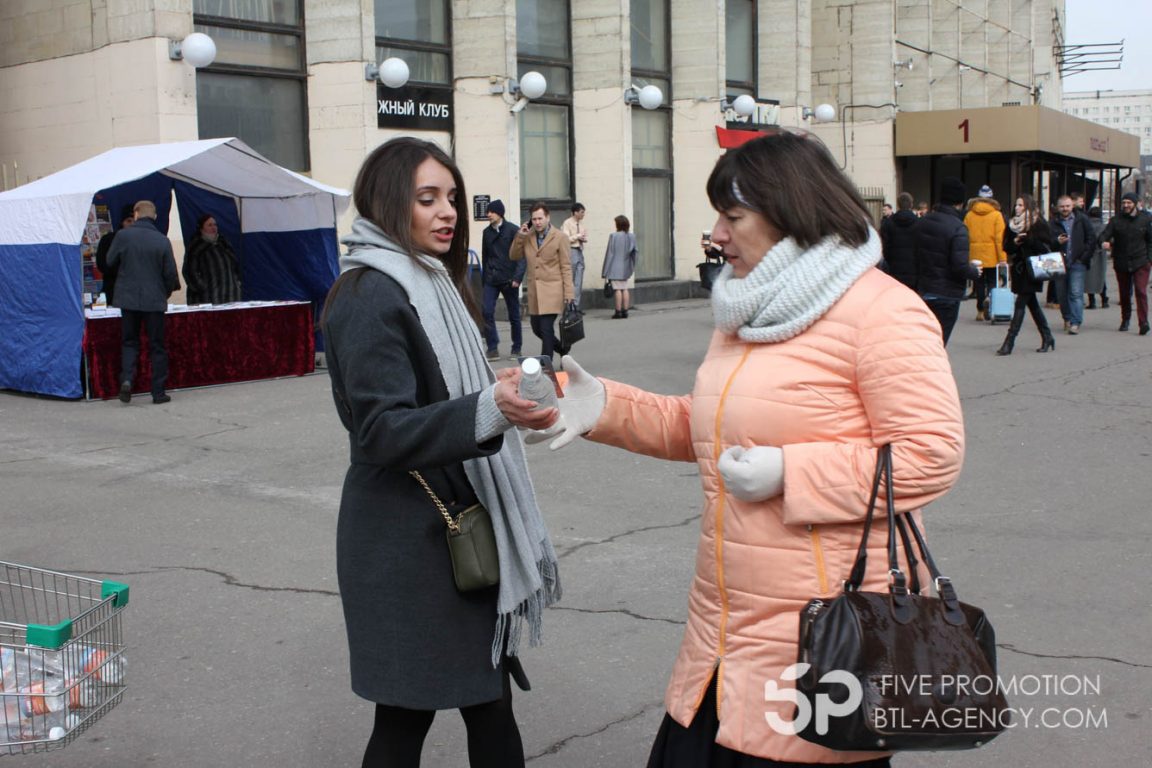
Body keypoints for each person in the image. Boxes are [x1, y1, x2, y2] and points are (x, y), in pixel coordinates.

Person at [532, 132, 966, 767]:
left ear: (792, 214)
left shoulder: (882, 311)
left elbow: (931, 452)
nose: (716, 234)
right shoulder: (748, 312)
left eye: (732, 217)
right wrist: (607, 407)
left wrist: (793, 472)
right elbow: (714, 434)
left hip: (826, 642)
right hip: (723, 633)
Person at [320, 137, 562, 768]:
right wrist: (490, 410)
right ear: (388, 202)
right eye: (427, 198)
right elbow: (379, 430)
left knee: (482, 701)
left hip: (452, 531)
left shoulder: (431, 281)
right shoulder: (370, 293)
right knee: (408, 716)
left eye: (452, 197)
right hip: (407, 543)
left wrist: (499, 397)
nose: (447, 212)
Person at [106, 200, 180, 405]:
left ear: (136, 214)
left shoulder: (123, 236)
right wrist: (162, 293)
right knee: (157, 346)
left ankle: (128, 379)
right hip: (154, 301)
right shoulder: (162, 240)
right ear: (154, 216)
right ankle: (158, 392)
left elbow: (109, 262)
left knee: (130, 342)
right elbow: (170, 274)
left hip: (128, 299)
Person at [915, 176, 979, 345]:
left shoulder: (923, 222)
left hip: (924, 290)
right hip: (947, 294)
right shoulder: (958, 227)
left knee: (924, 343)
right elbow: (959, 266)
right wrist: (974, 271)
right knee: (938, 345)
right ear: (960, 202)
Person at [510, 202, 575, 361]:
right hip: (534, 292)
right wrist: (520, 235)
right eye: (534, 219)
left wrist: (569, 293)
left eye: (540, 218)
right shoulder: (528, 236)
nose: (537, 222)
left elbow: (566, 267)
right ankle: (562, 349)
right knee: (536, 329)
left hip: (553, 291)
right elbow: (514, 256)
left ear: (547, 217)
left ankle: (546, 367)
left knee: (546, 329)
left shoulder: (560, 237)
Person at [996, 193, 1056, 355]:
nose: (1017, 208)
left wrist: (1028, 240)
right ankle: (1047, 336)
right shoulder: (1012, 224)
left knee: (1020, 304)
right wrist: (1014, 243)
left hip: (1033, 269)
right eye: (1016, 205)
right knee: (1033, 305)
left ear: (1028, 207)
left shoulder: (1038, 223)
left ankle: (1009, 342)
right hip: (1019, 269)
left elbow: (1046, 248)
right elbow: (1006, 247)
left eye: (1021, 205)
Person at [1097, 191, 1152, 334]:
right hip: (1122, 262)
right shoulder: (1116, 220)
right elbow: (1104, 234)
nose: (1126, 205)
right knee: (1125, 293)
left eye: (1129, 203)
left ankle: (1143, 322)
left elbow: (1150, 241)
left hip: (1141, 261)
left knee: (1141, 291)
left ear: (1135, 204)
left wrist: (1149, 260)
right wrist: (1104, 242)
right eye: (1124, 203)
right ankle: (1125, 319)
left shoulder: (1145, 219)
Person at [480, 199, 525, 361]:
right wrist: (485, 279)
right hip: (492, 278)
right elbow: (485, 257)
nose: (488, 215)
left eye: (491, 212)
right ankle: (492, 348)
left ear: (500, 213)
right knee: (486, 311)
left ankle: (516, 348)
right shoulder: (486, 233)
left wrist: (517, 278)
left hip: (509, 279)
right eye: (488, 212)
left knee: (514, 315)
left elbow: (521, 256)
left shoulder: (513, 230)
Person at [1050, 195, 1094, 334]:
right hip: (1059, 263)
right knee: (1062, 294)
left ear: (1072, 206)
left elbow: (1091, 239)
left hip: (1077, 262)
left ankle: (1075, 322)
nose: (1065, 209)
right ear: (1058, 208)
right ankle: (1067, 318)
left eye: (1067, 206)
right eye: (1062, 206)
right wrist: (1057, 241)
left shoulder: (1082, 219)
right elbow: (1047, 241)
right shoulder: (1053, 222)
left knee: (1075, 293)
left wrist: (1084, 257)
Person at [963, 184, 1006, 321]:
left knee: (979, 283)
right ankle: (991, 302)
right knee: (993, 281)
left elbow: (964, 235)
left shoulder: (969, 215)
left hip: (975, 256)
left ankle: (980, 311)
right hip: (992, 255)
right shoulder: (997, 215)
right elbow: (1000, 239)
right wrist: (1002, 258)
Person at [183, 214, 242, 305]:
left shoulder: (224, 244)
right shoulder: (196, 247)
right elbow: (189, 271)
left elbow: (235, 266)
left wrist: (236, 283)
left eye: (215, 225)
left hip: (230, 296)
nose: (214, 227)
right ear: (201, 228)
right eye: (209, 225)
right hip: (207, 299)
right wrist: (203, 288)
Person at [94, 204, 135, 306]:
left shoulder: (143, 241)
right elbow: (102, 264)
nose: (132, 224)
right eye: (129, 221)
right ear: (122, 222)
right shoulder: (108, 240)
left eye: (135, 221)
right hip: (113, 291)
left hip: (135, 295)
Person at [878, 192, 918, 290]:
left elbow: (884, 247)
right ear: (911, 204)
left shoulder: (888, 223)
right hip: (914, 270)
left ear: (898, 204)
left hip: (894, 268)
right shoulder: (919, 223)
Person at [602, 214, 637, 318]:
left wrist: (605, 271)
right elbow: (635, 253)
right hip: (626, 265)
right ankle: (625, 311)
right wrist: (632, 265)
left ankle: (618, 311)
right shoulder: (632, 236)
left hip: (614, 266)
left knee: (617, 289)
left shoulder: (614, 236)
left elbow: (610, 253)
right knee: (625, 288)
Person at [561, 203, 588, 310]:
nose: (583, 215)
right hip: (571, 250)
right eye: (582, 212)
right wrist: (578, 236)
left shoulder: (580, 224)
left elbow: (581, 237)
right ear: (575, 212)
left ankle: (576, 305)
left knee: (579, 279)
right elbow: (565, 238)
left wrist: (583, 238)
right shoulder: (567, 223)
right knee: (570, 279)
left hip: (579, 250)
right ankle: (569, 305)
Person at [1084, 206, 1109, 308]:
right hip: (1100, 254)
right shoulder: (1104, 226)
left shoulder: (1087, 226)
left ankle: (1092, 301)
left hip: (1089, 254)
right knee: (1100, 277)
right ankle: (1104, 300)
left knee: (1089, 278)